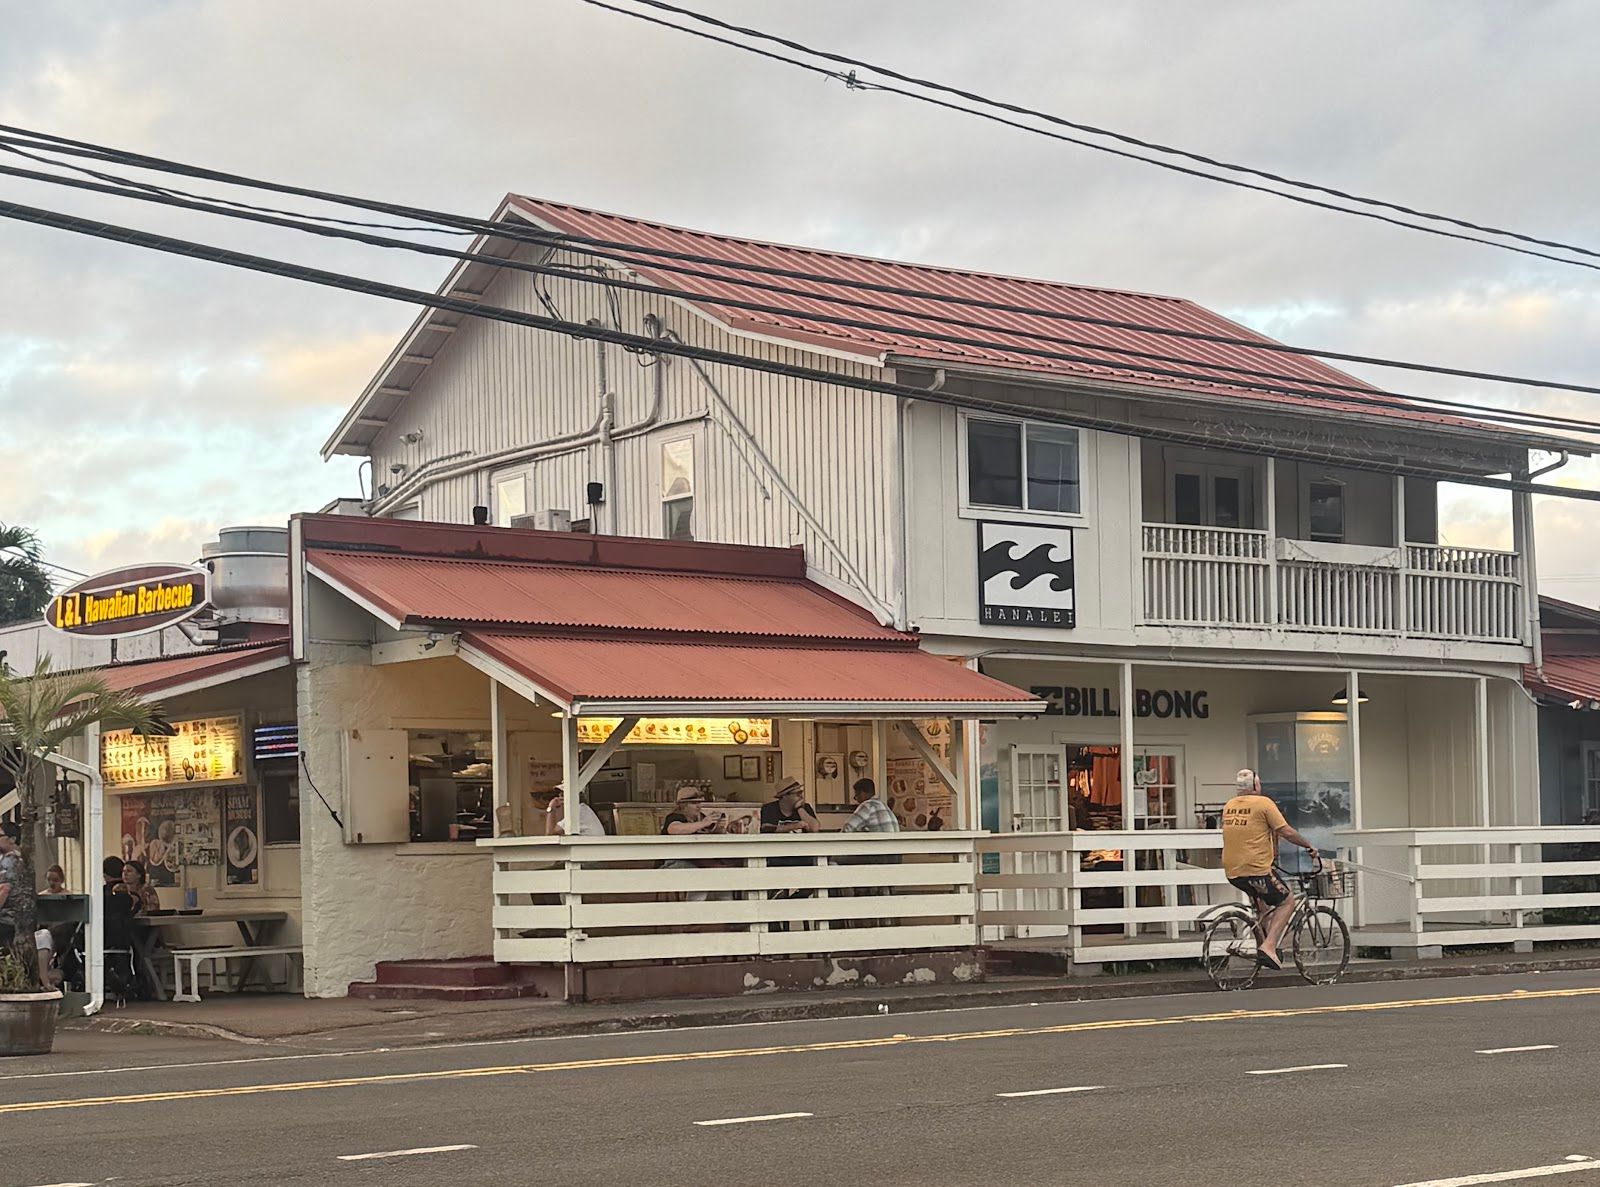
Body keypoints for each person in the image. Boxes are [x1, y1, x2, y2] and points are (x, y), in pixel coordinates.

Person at [1221, 768, 1318, 970]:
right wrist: (1308, 846)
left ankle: (1262, 950)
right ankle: (1269, 946)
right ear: (1256, 785)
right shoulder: (1264, 803)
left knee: (1264, 908)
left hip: (1233, 871)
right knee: (1287, 902)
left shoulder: (1229, 805)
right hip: (1257, 870)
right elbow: (1287, 832)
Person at [660, 787, 729, 904]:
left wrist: (718, 828)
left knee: (723, 876)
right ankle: (694, 914)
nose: (699, 806)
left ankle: (726, 912)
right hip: (673, 862)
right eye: (694, 803)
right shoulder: (675, 817)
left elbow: (707, 831)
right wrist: (703, 823)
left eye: (699, 802)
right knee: (700, 877)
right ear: (683, 805)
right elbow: (674, 829)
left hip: (699, 860)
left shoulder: (699, 817)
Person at [542, 787, 607, 837]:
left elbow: (550, 834)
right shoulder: (583, 809)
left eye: (562, 794)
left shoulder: (578, 811)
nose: (559, 796)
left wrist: (551, 808)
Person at [0, 821, 21, 951]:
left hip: (6, 920)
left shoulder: (11, 860)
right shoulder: (20, 858)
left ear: (12, 839)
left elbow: (4, 889)